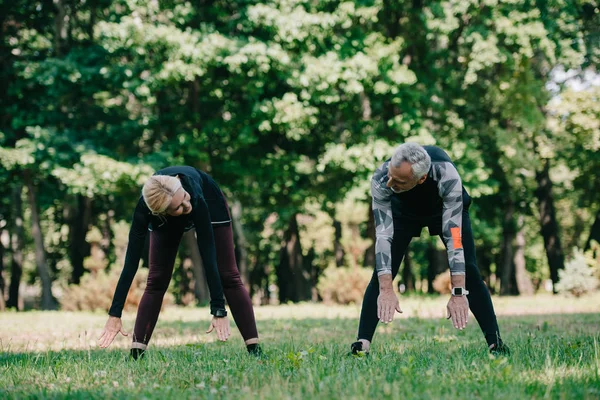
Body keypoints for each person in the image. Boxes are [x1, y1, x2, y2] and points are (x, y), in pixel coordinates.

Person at [351, 143, 509, 355]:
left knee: (469, 270)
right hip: (402, 214)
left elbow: (454, 239)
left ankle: (495, 343)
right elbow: (383, 236)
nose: (390, 182)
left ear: (422, 178)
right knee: (382, 271)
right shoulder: (381, 178)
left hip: (443, 209)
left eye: (398, 181)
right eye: (390, 175)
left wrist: (458, 292)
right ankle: (362, 344)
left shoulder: (446, 175)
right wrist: (386, 289)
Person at [98, 166, 261, 359]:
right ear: (161, 213)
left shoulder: (194, 196)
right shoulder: (147, 209)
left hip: (210, 200)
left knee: (229, 275)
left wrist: (218, 308)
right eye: (179, 207)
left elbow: (208, 253)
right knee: (156, 280)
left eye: (183, 197)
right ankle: (136, 355)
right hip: (165, 215)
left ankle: (255, 351)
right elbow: (131, 263)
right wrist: (114, 314)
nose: (186, 206)